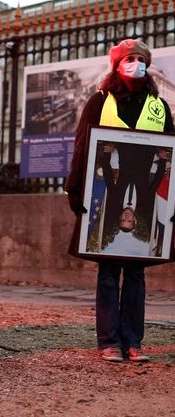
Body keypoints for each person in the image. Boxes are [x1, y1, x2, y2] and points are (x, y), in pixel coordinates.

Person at [66, 38, 174, 363]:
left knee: (137, 274)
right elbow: (83, 148)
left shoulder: (160, 106)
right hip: (109, 194)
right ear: (117, 64)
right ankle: (109, 341)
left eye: (141, 58)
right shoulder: (99, 101)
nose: (136, 63)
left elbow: (171, 157)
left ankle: (133, 341)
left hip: (146, 199)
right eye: (130, 57)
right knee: (109, 272)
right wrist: (75, 191)